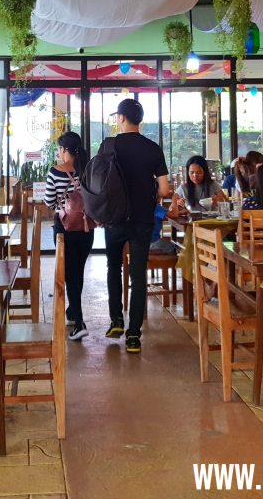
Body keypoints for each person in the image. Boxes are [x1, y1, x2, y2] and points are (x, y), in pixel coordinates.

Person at [102, 99, 171, 353]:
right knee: (138, 274)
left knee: (113, 266)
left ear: (121, 118)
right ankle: (134, 335)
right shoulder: (153, 148)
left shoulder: (109, 146)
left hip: (114, 219)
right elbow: (164, 188)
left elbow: (99, 184)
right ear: (139, 120)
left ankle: (116, 320)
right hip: (142, 220)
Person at [43, 132, 94, 342]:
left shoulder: (56, 171)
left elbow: (48, 201)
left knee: (70, 274)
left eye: (60, 149)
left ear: (64, 150)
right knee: (77, 272)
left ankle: (79, 322)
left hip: (64, 229)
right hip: (86, 229)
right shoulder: (88, 169)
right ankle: (73, 312)